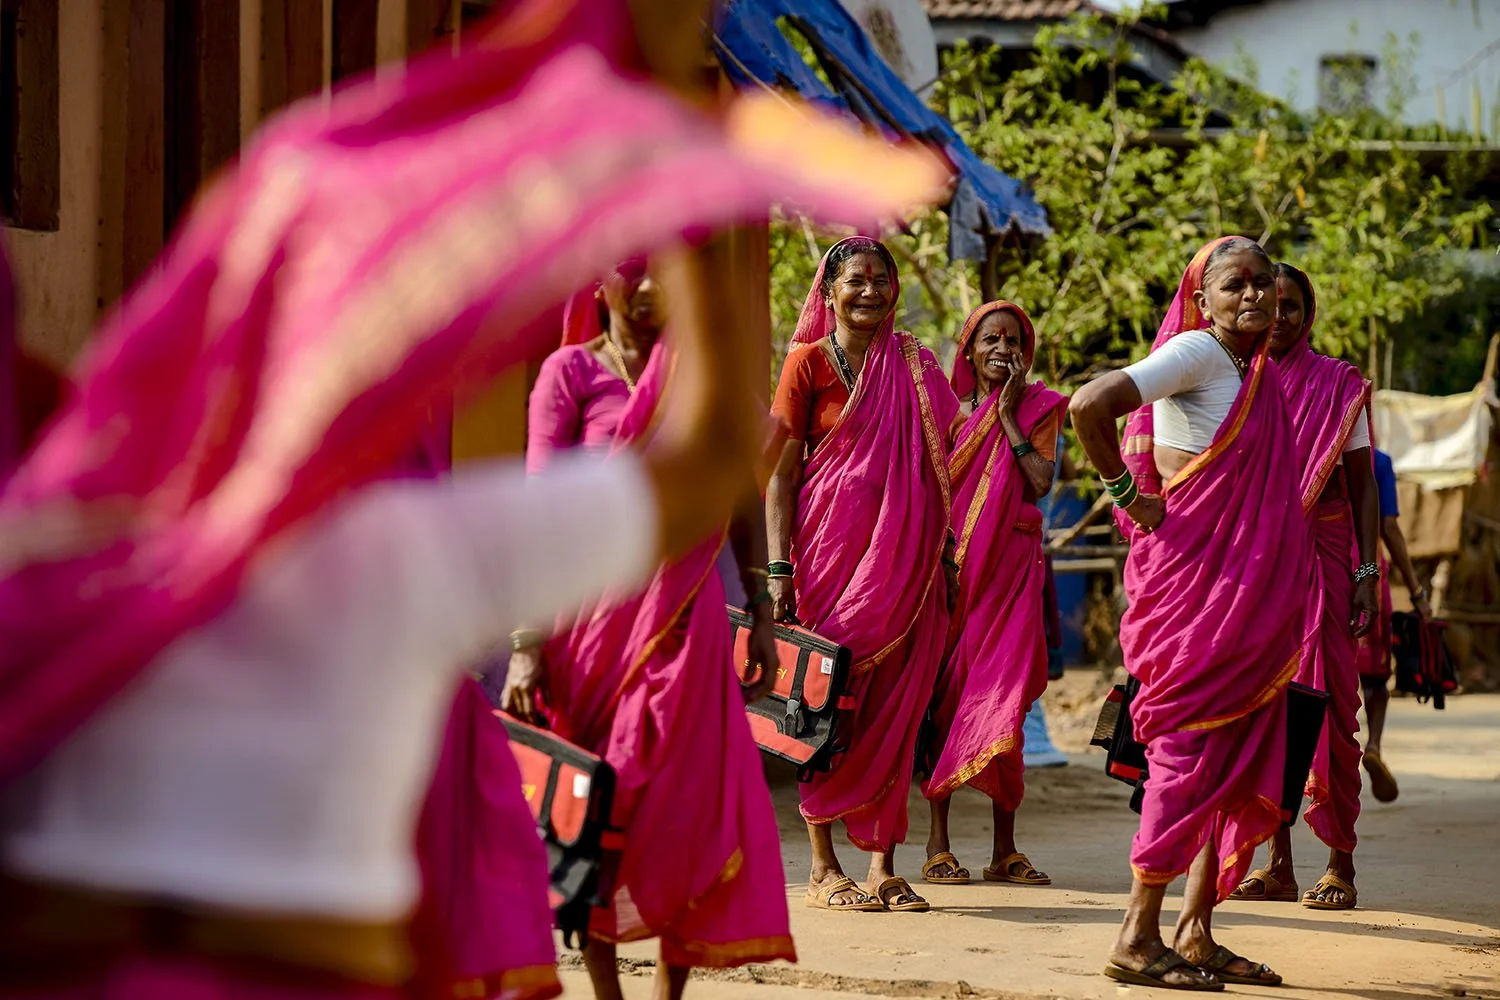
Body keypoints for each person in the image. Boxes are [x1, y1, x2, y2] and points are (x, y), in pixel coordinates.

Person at [0, 0, 949, 994]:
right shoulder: (389, 556)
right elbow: (716, 457)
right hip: (558, 653)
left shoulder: (34, 564)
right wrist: (675, 145)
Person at [500, 259, 793, 1000]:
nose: (648, 286)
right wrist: (527, 646)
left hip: (684, 630)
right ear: (597, 283)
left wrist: (760, 615)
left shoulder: (706, 376)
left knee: (681, 811)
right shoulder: (569, 375)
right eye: (630, 271)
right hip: (585, 630)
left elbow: (738, 499)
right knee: (603, 809)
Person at [1070, 236, 1310, 991]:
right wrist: (1125, 493)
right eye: (1237, 285)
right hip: (1196, 590)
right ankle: (1136, 937)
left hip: (1248, 595)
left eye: (1265, 285)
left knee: (1234, 756)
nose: (1257, 298)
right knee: (1187, 760)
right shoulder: (1198, 354)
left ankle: (1196, 931)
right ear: (1202, 298)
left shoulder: (1256, 371)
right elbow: (1089, 405)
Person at [766, 236, 959, 915]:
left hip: (907, 571)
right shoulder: (805, 365)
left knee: (896, 712)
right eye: (856, 280)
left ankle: (883, 865)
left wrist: (945, 555)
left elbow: (941, 474)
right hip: (824, 562)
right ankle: (823, 867)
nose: (870, 291)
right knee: (826, 707)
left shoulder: (916, 365)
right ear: (829, 291)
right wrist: (779, 568)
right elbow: (782, 475)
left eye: (881, 279)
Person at [1228, 262, 1377, 912]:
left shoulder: (1338, 384)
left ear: (1307, 314)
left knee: (1332, 713)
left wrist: (1367, 570)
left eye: (1292, 306)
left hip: (1325, 556)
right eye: (1270, 301)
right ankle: (1278, 862)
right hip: (1255, 564)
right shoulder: (1232, 377)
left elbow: (1364, 484)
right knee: (1265, 708)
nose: (1279, 315)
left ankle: (1340, 862)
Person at [920, 301, 1066, 888]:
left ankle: (1005, 849)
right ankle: (938, 844)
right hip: (955, 577)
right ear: (970, 351)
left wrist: (1007, 418)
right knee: (946, 700)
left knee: (1006, 701)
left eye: (1014, 340)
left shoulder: (1041, 408)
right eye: (991, 340)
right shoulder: (949, 418)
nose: (1003, 348)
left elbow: (1040, 481)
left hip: (1011, 576)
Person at [1358, 446, 1432, 802]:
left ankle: (1319, 763)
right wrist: (1416, 591)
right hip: (1369, 577)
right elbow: (1388, 525)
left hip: (1322, 572)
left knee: (1321, 680)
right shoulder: (1380, 461)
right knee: (1374, 679)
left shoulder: (1310, 445)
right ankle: (1372, 745)